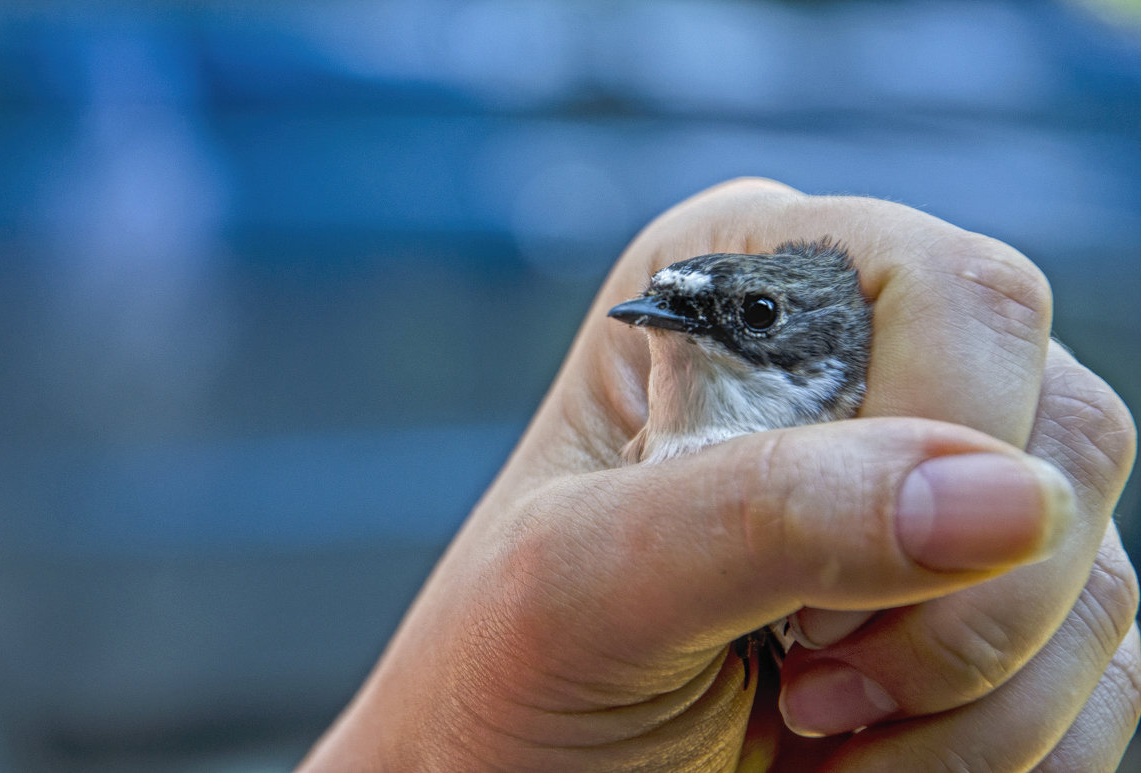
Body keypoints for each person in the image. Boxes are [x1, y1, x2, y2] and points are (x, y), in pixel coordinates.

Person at [300, 179, 1139, 771]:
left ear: (829, 346)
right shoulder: (640, 474)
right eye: (663, 316)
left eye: (756, 313)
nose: (673, 327)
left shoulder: (876, 410)